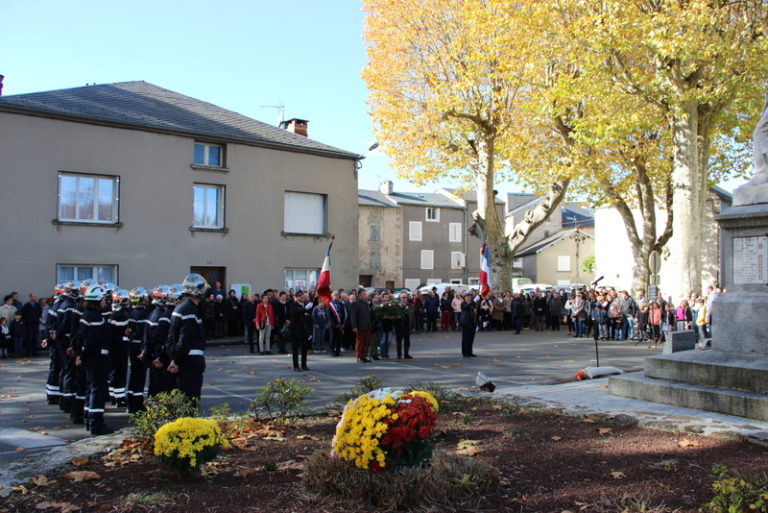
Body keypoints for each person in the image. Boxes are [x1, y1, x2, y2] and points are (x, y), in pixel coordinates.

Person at [76, 284, 114, 435]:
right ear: (98, 300)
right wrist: (83, 356)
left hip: (91, 357)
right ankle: (96, 423)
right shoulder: (96, 317)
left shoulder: (87, 314)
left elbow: (81, 338)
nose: (105, 301)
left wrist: (81, 355)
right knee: (98, 390)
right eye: (103, 299)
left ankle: (88, 418)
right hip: (97, 358)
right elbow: (92, 340)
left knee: (91, 388)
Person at [167, 273, 208, 405]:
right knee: (190, 399)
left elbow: (172, 337)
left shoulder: (183, 307)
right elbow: (185, 338)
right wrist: (177, 360)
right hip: (191, 361)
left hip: (185, 360)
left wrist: (174, 358)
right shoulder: (189, 310)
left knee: (185, 397)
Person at [126, 287, 150, 414]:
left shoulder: (132, 313)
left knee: (134, 375)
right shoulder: (142, 314)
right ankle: (137, 404)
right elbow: (142, 333)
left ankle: (131, 403)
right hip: (139, 347)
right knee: (140, 376)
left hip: (132, 346)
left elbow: (130, 331)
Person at [107, 289, 131, 407]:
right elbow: (123, 333)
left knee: (113, 371)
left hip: (112, 346)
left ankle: (113, 395)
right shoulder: (121, 316)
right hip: (120, 347)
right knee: (120, 371)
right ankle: (120, 398)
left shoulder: (112, 314)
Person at [287, 290, 312, 371]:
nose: (302, 297)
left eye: (302, 296)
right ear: (296, 297)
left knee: (304, 349)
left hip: (304, 330)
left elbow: (308, 317)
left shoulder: (305, 305)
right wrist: (305, 309)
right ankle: (296, 366)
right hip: (295, 330)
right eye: (300, 296)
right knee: (295, 349)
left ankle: (304, 365)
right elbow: (295, 312)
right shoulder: (292, 304)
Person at [350, 289, 373, 363]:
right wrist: (354, 326)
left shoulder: (366, 303)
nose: (365, 295)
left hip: (367, 325)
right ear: (360, 295)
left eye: (365, 294)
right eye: (364, 294)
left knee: (366, 342)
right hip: (360, 325)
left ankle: (364, 356)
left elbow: (368, 314)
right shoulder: (355, 303)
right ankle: (359, 356)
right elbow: (353, 316)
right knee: (360, 341)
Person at [20, 293, 42, 357]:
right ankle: (29, 352)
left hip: (36, 323)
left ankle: (35, 352)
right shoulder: (26, 305)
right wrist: (26, 320)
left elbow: (40, 312)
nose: (35, 298)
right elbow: (23, 314)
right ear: (30, 297)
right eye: (33, 297)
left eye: (35, 297)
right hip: (29, 324)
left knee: (35, 338)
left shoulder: (37, 305)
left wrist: (37, 318)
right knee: (29, 338)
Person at [394, 292, 412, 359]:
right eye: (403, 297)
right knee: (399, 341)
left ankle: (406, 354)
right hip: (399, 325)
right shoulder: (397, 305)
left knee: (407, 340)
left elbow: (411, 315)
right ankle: (399, 355)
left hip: (407, 325)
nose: (404, 299)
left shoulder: (409, 304)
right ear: (400, 298)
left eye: (406, 297)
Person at [460, 291, 478, 357]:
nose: (469, 297)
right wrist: (474, 301)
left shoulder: (473, 303)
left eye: (470, 296)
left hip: (472, 323)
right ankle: (465, 352)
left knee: (471, 338)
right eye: (468, 296)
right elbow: (466, 307)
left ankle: (470, 352)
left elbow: (475, 311)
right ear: (465, 297)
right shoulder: (463, 303)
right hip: (466, 323)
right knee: (465, 339)